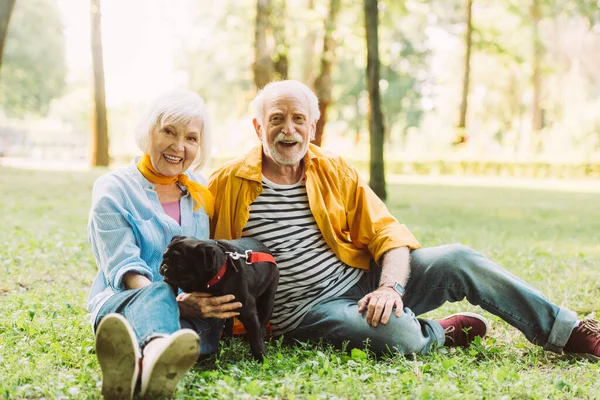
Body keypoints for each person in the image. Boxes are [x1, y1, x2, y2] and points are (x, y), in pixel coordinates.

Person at [207, 79, 600, 361]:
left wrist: (390, 288)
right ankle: (439, 332)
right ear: (259, 127)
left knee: (458, 257)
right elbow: (193, 251)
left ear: (312, 126)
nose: (287, 130)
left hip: (362, 280)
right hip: (305, 312)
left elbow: (388, 233)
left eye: (298, 119)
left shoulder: (332, 168)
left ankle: (566, 332)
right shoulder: (226, 183)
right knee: (399, 336)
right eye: (276, 119)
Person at [87, 90, 243, 400]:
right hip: (126, 302)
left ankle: (135, 366)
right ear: (149, 133)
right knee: (157, 296)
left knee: (202, 330)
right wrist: (172, 300)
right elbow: (125, 267)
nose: (179, 146)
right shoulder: (114, 189)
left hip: (193, 311)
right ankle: (157, 352)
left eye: (191, 138)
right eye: (168, 131)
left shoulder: (200, 192)